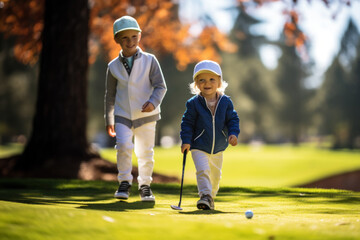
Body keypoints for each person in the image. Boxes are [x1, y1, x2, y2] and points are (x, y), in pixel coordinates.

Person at [104, 16, 167, 202]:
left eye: (133, 36)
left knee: (145, 152)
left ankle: (145, 186)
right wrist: (109, 119)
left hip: (147, 115)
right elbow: (110, 95)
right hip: (122, 115)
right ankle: (124, 182)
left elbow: (160, 86)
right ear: (117, 40)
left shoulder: (150, 60)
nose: (130, 41)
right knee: (123, 146)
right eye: (124, 38)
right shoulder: (113, 66)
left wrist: (153, 102)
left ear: (139, 36)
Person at [180, 60, 240, 210]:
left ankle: (210, 197)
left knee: (215, 176)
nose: (207, 83)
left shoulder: (226, 102)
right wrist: (186, 140)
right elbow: (187, 123)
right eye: (202, 80)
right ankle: (205, 196)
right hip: (198, 145)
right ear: (196, 84)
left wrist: (233, 133)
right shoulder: (193, 104)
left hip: (218, 147)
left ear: (219, 82)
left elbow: (233, 119)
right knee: (202, 171)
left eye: (212, 79)